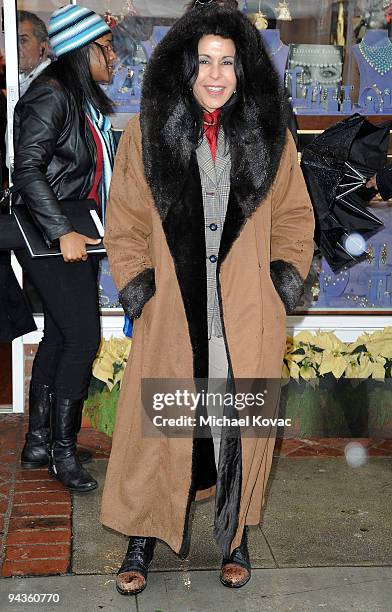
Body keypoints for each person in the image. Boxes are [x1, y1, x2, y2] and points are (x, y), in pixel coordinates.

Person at [101, 2, 314, 595]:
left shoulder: (271, 136)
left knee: (238, 429)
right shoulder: (148, 131)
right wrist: (140, 290)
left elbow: (298, 218)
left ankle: (236, 535)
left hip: (246, 315)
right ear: (183, 68)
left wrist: (280, 284)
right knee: (160, 427)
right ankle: (142, 539)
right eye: (204, 62)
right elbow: (123, 224)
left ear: (243, 69)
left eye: (227, 62)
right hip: (174, 310)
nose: (215, 75)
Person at [12, 4, 117, 492]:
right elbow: (27, 171)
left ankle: (40, 441)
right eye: (106, 47)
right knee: (81, 339)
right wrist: (61, 231)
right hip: (52, 231)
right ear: (83, 50)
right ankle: (62, 452)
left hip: (71, 225)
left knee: (60, 336)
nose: (113, 56)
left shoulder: (75, 97)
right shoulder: (50, 96)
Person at [17, 11, 52, 96]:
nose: (17, 47)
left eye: (23, 40)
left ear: (43, 46)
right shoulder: (23, 77)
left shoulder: (46, 86)